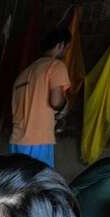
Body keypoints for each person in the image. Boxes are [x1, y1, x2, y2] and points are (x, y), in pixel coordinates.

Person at [9, 27, 72, 167]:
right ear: (60, 45)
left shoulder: (24, 73)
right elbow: (56, 102)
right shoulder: (56, 66)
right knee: (38, 186)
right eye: (66, 48)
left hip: (16, 141)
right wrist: (64, 105)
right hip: (38, 140)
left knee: (17, 185)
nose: (65, 52)